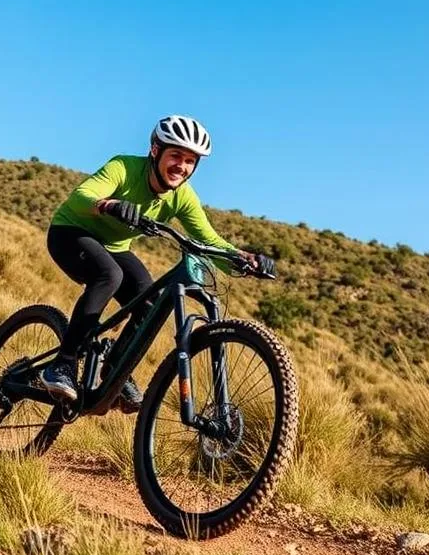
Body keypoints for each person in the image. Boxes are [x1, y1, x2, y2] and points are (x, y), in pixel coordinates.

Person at [41, 115, 263, 413]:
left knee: (149, 299)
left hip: (114, 246)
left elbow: (208, 240)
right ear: (156, 150)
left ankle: (116, 368)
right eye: (175, 156)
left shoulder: (182, 197)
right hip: (71, 233)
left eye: (189, 161)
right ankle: (63, 364)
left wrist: (242, 260)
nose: (181, 166)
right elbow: (82, 196)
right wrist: (109, 204)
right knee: (110, 275)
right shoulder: (125, 167)